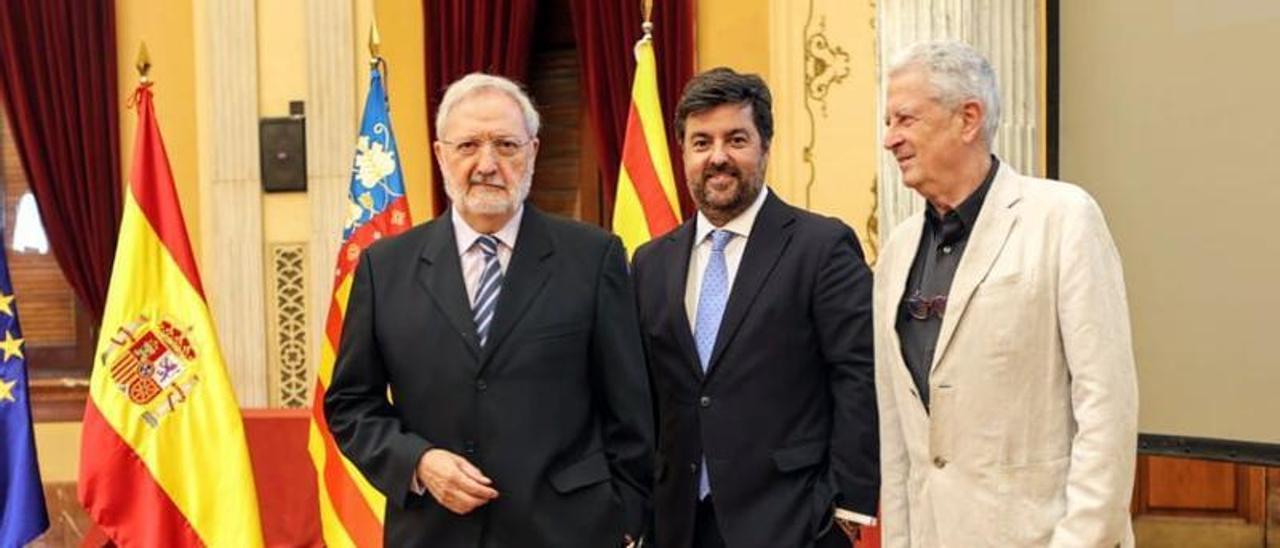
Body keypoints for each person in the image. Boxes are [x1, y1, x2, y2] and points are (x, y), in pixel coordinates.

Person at [325, 73, 654, 547]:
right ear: (441, 154)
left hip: (569, 532)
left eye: (505, 144)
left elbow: (630, 408)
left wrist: (625, 521)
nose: (487, 164)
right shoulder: (385, 267)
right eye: (468, 146)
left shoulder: (593, 257)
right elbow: (351, 404)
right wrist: (416, 462)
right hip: (434, 532)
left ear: (534, 152)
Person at [875, 41, 1139, 547]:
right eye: (888, 122)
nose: (890, 139)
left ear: (968, 118)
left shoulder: (1064, 219)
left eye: (904, 119)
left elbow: (1106, 409)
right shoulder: (897, 252)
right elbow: (899, 441)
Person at [633, 67, 880, 548]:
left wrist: (847, 511)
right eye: (701, 142)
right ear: (683, 152)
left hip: (792, 521)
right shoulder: (650, 261)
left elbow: (859, 376)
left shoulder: (821, 246)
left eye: (736, 139)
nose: (718, 157)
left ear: (765, 145)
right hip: (679, 523)